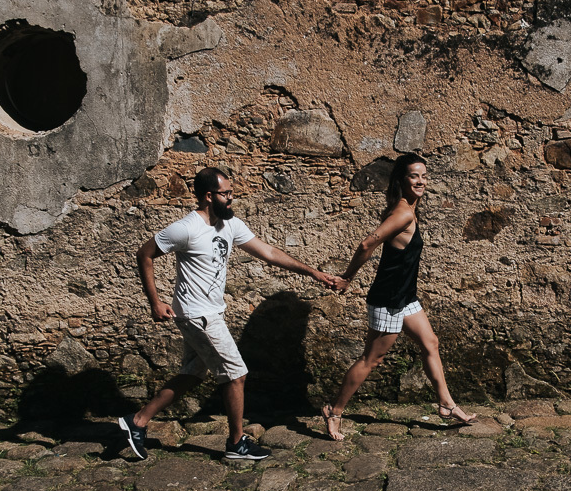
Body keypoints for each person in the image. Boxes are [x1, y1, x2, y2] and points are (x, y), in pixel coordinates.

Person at [119, 166, 343, 460]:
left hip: (209, 312)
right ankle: (237, 443)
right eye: (227, 194)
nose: (231, 199)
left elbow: (270, 253)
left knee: (193, 373)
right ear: (209, 196)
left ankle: (137, 422)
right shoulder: (186, 228)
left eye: (232, 193)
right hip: (198, 314)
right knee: (236, 375)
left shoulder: (230, 225)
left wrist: (312, 272)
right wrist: (155, 301)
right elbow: (144, 253)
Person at [321, 153, 475, 441]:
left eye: (424, 176)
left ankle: (446, 404)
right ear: (401, 180)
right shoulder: (402, 213)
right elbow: (367, 243)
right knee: (371, 360)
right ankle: (335, 410)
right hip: (389, 298)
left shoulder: (404, 208)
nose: (421, 181)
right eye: (414, 176)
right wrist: (347, 277)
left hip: (405, 296)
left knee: (430, 343)